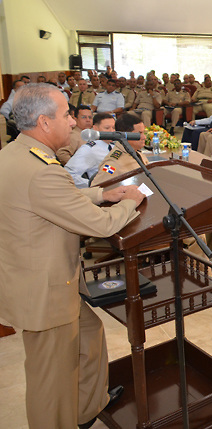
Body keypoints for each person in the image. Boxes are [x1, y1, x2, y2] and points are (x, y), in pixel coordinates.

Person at [0, 83, 145, 429]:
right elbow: (100, 225)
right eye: (66, 114)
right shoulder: (42, 170)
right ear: (44, 123)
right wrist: (129, 201)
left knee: (89, 333)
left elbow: (55, 200)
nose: (74, 121)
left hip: (35, 279)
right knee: (50, 379)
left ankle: (87, 406)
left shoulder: (15, 153)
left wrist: (99, 195)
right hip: (45, 292)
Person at [65, 112, 117, 188]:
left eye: (113, 128)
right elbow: (69, 174)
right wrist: (93, 184)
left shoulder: (114, 147)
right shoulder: (89, 149)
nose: (112, 131)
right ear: (95, 128)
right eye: (107, 128)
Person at [93, 114, 148, 185]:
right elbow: (96, 189)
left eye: (143, 132)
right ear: (125, 135)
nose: (144, 137)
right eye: (139, 133)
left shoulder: (138, 154)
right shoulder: (113, 164)